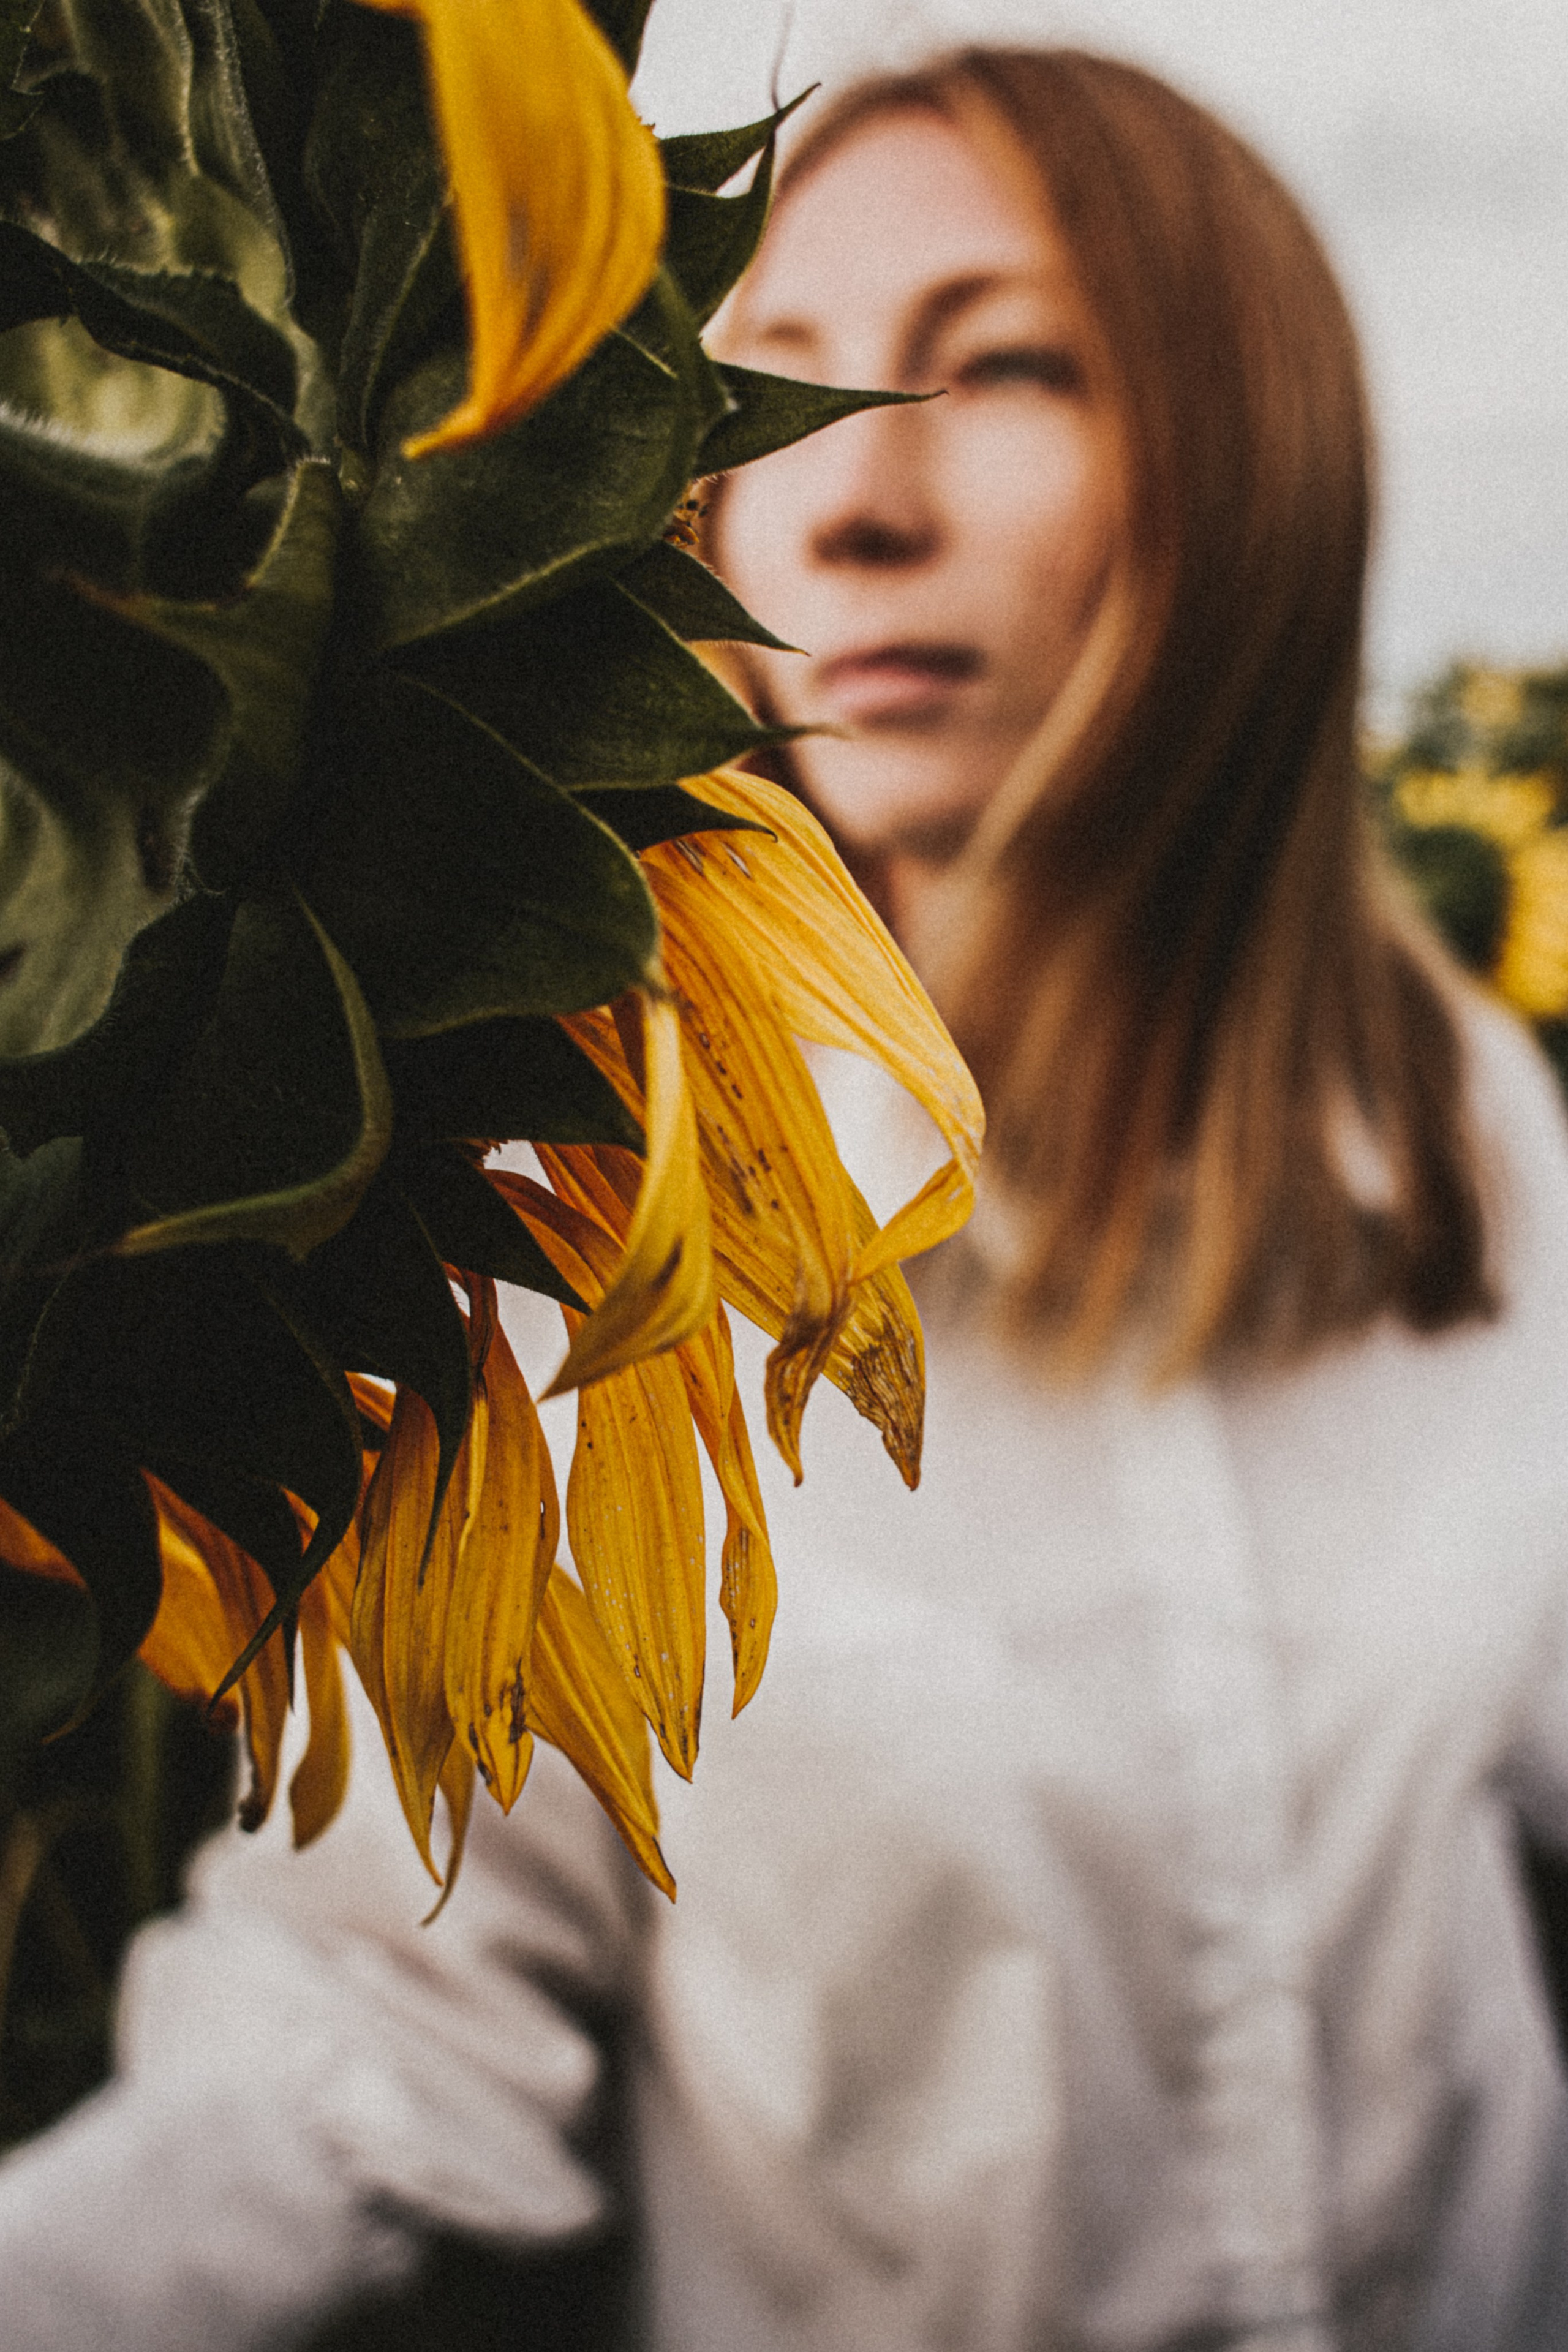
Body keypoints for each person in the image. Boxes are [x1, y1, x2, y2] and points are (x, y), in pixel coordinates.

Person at [4, 45, 1568, 2352]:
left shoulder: (1476, 1138)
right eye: (770, 392)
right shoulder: (585, 1209)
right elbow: (367, 2048)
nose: (843, 503)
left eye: (1001, 364)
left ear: (1259, 448)